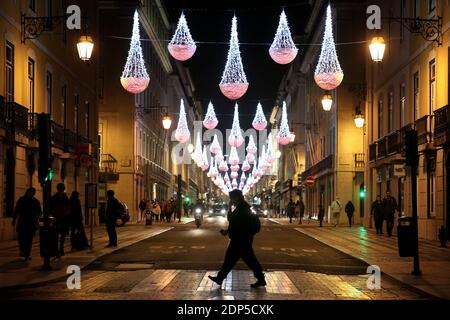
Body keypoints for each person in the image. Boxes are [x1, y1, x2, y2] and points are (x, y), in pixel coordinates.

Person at [208, 189, 266, 288]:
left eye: (232, 198)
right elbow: (236, 224)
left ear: (237, 197)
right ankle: (260, 279)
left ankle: (220, 278)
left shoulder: (242, 208)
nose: (231, 200)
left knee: (234, 259)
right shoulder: (243, 207)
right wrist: (228, 231)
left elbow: (232, 219)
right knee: (244, 260)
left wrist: (230, 208)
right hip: (242, 238)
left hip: (240, 240)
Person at [12, 188, 41, 260]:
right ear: (27, 192)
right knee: (21, 238)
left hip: (31, 222)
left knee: (29, 239)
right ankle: (22, 250)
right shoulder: (21, 200)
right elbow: (16, 210)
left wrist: (36, 219)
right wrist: (14, 219)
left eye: (33, 192)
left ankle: (27, 254)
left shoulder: (35, 201)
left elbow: (39, 212)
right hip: (22, 221)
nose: (32, 194)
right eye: (31, 192)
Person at [50, 183, 70, 257]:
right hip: (56, 218)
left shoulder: (65, 197)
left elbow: (68, 208)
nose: (61, 190)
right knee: (55, 235)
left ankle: (61, 248)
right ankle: (56, 250)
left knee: (63, 235)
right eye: (60, 189)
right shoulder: (54, 197)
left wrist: (66, 213)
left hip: (63, 219)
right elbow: (51, 208)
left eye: (62, 189)